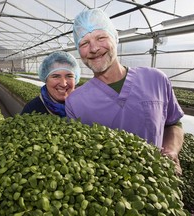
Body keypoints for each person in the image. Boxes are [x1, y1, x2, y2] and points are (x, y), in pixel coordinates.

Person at [65, 9, 184, 175]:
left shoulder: (156, 79)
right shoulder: (74, 102)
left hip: (159, 186)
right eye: (84, 43)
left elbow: (173, 123)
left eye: (101, 37)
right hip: (109, 193)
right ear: (79, 51)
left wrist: (171, 149)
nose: (94, 48)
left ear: (115, 38)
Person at [21, 51, 81, 117]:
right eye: (56, 76)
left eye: (69, 76)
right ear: (45, 79)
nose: (63, 84)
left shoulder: (86, 106)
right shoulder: (32, 110)